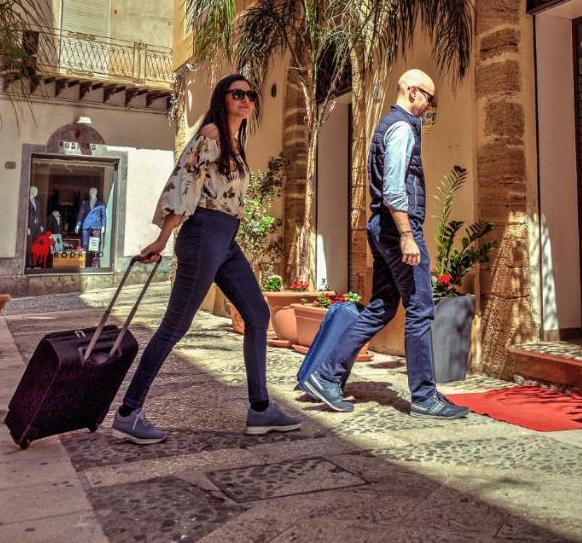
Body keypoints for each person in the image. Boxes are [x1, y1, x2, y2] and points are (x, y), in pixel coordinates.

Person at [111, 74, 301, 444]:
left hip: (225, 238)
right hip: (203, 235)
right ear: (223, 98)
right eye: (238, 94)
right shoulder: (212, 134)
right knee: (175, 325)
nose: (246, 100)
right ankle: (128, 411)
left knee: (258, 315)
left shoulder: (234, 141)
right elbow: (186, 182)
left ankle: (260, 409)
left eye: (251, 95)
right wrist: (163, 237)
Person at [299, 69, 469, 420]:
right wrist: (407, 235)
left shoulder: (387, 125)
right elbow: (394, 187)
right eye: (428, 98)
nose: (430, 106)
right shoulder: (402, 128)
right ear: (411, 91)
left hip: (382, 227)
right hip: (397, 229)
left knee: (381, 307)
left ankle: (326, 375)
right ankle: (424, 397)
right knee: (421, 308)